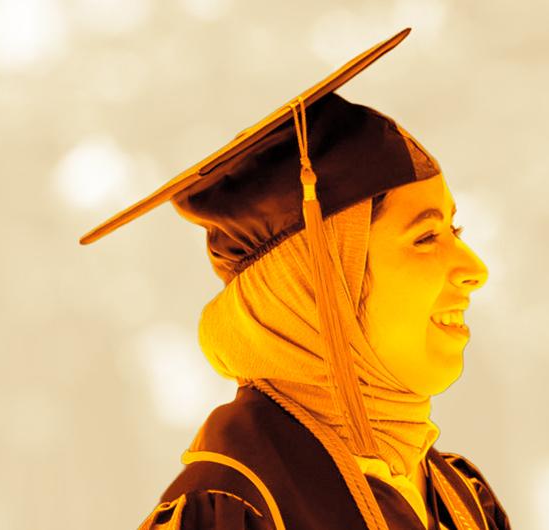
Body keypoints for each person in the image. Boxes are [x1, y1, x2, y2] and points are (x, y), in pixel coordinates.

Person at [79, 29, 509, 530]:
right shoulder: (232, 510)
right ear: (311, 284)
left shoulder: (461, 496)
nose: (475, 269)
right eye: (426, 237)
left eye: (455, 229)